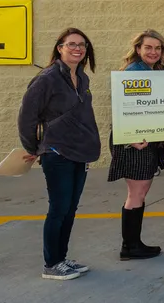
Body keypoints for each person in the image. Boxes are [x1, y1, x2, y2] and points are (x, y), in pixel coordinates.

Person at [18, 28, 101, 281]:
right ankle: (51, 263)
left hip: (79, 152)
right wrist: (34, 147)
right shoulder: (47, 78)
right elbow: (27, 116)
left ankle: (62, 259)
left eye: (82, 45)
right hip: (57, 152)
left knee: (70, 208)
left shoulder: (82, 78)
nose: (78, 48)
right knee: (59, 208)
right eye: (72, 44)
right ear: (59, 48)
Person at [107, 29, 164, 261]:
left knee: (140, 192)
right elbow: (120, 107)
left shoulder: (152, 71)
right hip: (134, 141)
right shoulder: (133, 72)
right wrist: (130, 136)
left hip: (144, 139)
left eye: (157, 48)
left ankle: (134, 243)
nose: (153, 52)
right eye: (148, 47)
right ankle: (129, 247)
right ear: (137, 49)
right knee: (136, 193)